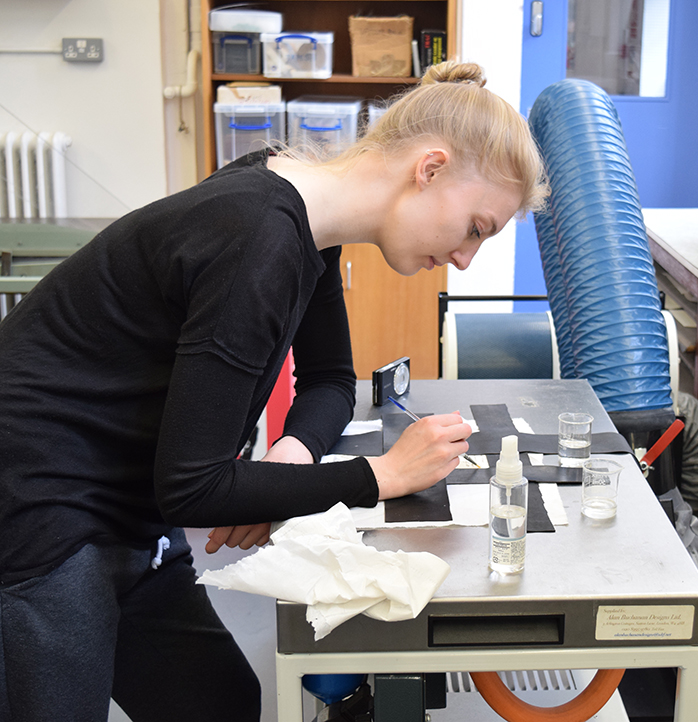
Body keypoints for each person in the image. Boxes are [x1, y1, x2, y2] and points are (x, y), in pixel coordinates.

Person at [0, 61, 548, 721]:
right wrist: (379, 475)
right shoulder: (256, 237)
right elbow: (194, 489)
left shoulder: (303, 215)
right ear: (429, 169)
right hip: (38, 501)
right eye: (476, 228)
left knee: (218, 702)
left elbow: (329, 382)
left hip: (123, 497)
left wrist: (293, 455)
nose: (466, 258)